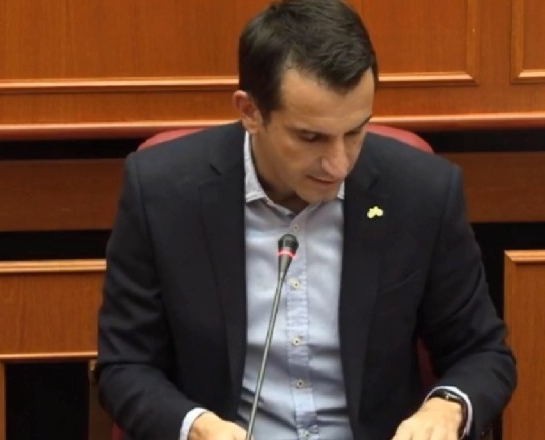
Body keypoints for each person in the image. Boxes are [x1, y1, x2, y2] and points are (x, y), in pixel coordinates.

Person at [95, 0, 517, 439]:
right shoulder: (163, 192)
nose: (339, 165)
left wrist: (446, 409)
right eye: (311, 137)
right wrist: (196, 427)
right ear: (250, 112)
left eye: (355, 132)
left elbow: (482, 352)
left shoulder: (421, 191)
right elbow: (125, 365)